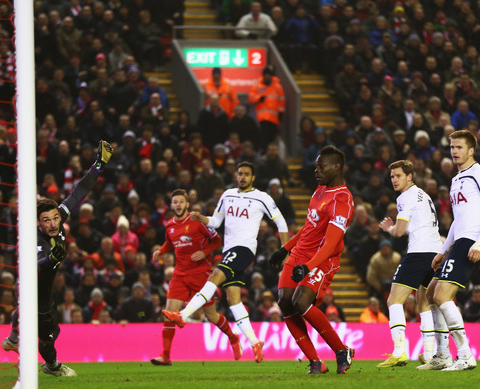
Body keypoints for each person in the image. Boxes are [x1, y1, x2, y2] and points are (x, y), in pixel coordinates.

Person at [1, 140, 114, 377]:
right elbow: (36, 268)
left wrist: (99, 164)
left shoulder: (59, 217)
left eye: (55, 218)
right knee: (47, 334)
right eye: (46, 220)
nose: (53, 224)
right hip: (34, 285)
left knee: (50, 330)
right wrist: (52, 258)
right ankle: (51, 365)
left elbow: (79, 192)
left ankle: (15, 335)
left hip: (47, 286)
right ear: (37, 222)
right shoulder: (34, 240)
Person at [163, 162, 289, 363]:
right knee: (233, 299)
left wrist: (284, 251)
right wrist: (201, 218)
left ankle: (183, 315)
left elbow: (281, 222)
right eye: (240, 174)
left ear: (253, 177)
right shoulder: (227, 195)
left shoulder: (262, 197)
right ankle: (255, 342)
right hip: (230, 250)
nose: (242, 177)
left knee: (215, 275)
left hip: (245, 249)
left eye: (246, 174)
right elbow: (216, 222)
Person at [268, 145, 356, 375]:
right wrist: (284, 249)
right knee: (284, 300)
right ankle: (316, 362)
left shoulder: (342, 200)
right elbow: (309, 227)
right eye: (316, 165)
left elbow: (330, 244)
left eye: (321, 165)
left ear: (337, 167)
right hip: (299, 254)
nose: (316, 169)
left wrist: (308, 266)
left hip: (323, 259)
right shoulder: (319, 190)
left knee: (300, 301)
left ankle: (341, 350)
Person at [423, 130, 480, 371]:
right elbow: (458, 219)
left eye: (459, 147)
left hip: (472, 243)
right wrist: (443, 250)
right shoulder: (456, 179)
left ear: (471, 151)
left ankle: (465, 354)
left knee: (442, 296)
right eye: (452, 147)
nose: (454, 151)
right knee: (431, 294)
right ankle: (443, 355)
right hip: (460, 242)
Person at [150, 189, 241, 365]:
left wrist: (204, 252)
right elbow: (170, 243)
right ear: (171, 205)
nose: (178, 205)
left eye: (181, 202)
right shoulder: (169, 225)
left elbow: (217, 241)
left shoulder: (197, 221)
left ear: (187, 204)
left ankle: (233, 337)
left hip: (201, 274)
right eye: (175, 202)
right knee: (169, 314)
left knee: (211, 315)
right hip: (179, 274)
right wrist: (160, 252)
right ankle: (166, 356)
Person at [377, 160, 441, 367]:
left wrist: (389, 228)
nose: (394, 180)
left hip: (418, 252)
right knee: (424, 303)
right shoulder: (424, 194)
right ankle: (430, 354)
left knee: (393, 301)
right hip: (434, 252)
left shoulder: (406, 196)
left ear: (409, 176)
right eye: (392, 177)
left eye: (398, 176)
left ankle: (398, 352)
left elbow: (400, 231)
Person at [248, 66, 285, 150]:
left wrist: (281, 113)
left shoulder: (278, 87)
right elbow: (250, 98)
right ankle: (264, 152)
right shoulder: (257, 86)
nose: (267, 77)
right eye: (266, 75)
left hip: (274, 119)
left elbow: (281, 101)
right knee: (263, 139)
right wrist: (259, 98)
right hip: (262, 119)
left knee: (272, 139)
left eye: (269, 75)